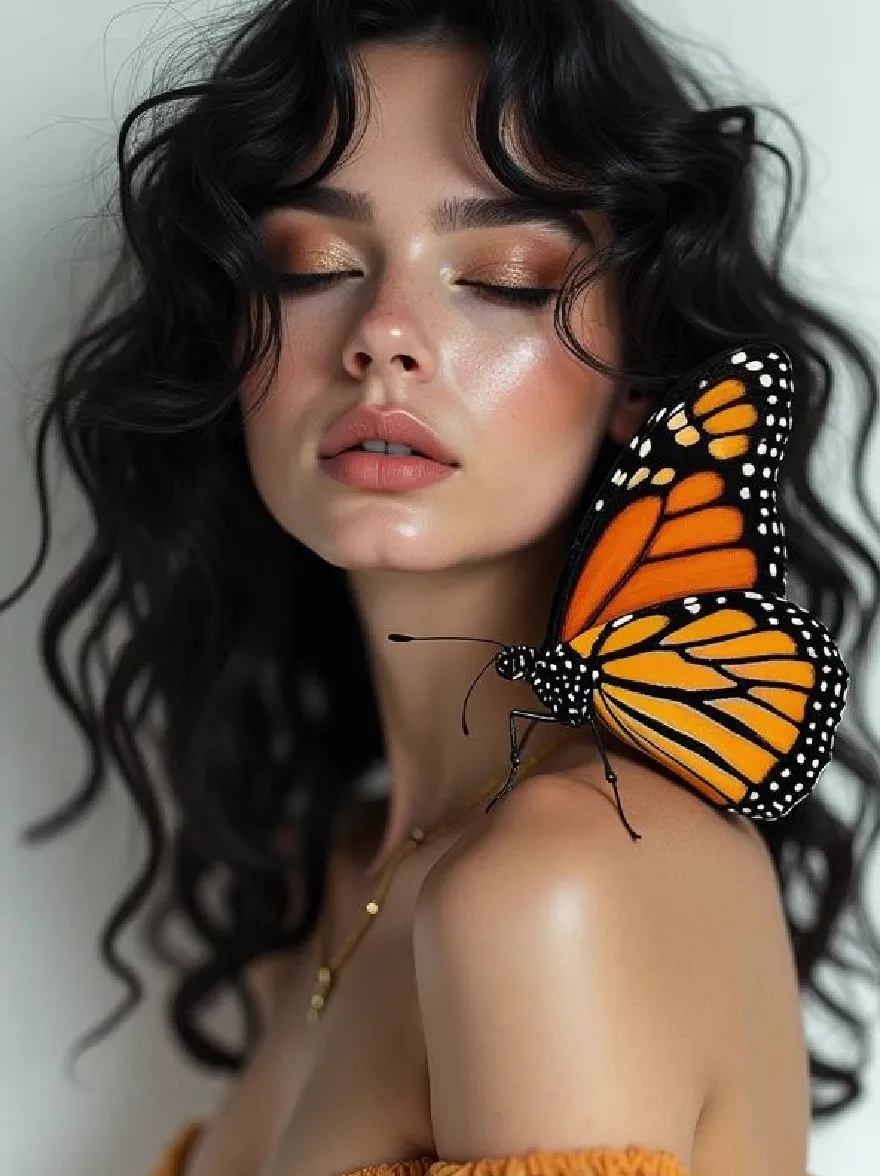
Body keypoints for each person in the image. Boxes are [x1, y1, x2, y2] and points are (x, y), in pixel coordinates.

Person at [7, 3, 880, 1176]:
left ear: (638, 379)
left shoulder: (550, 888)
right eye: (311, 266)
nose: (384, 336)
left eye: (506, 278)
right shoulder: (337, 880)